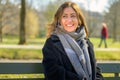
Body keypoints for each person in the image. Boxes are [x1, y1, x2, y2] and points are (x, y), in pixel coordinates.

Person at [42, 1, 104, 80]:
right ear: (59, 20)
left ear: (79, 20)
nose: (69, 20)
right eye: (64, 16)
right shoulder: (51, 43)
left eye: (73, 16)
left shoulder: (87, 43)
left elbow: (95, 71)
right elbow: (52, 72)